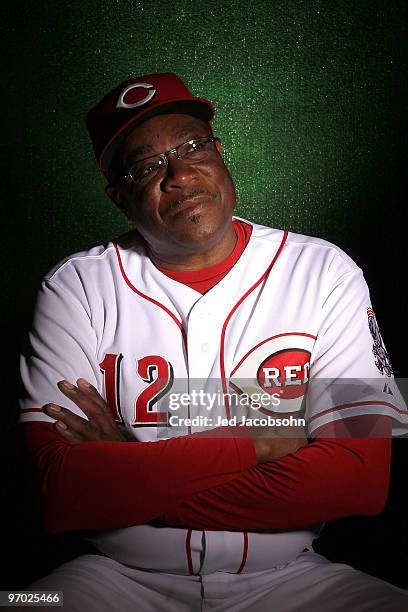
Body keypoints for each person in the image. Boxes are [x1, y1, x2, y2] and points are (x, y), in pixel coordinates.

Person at [19, 72, 408, 611]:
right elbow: (57, 495)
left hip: (290, 579)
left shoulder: (324, 271)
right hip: (118, 579)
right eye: (146, 166)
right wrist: (260, 445)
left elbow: (362, 481)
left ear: (219, 153)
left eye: (191, 146)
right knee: (19, 602)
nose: (178, 174)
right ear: (119, 197)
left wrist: (134, 482)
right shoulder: (75, 286)